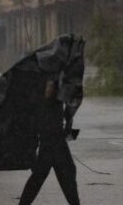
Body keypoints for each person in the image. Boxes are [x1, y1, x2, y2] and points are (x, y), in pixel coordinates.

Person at [0, 35, 85, 205]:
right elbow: (68, 97)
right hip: (51, 132)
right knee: (63, 171)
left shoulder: (41, 69)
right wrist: (67, 120)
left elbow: (65, 98)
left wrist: (66, 121)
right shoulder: (51, 76)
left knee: (48, 173)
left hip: (49, 130)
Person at [19, 75, 80, 205]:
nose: (50, 87)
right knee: (65, 173)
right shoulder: (47, 85)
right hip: (52, 140)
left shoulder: (53, 87)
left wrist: (68, 128)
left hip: (52, 139)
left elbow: (68, 107)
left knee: (40, 176)